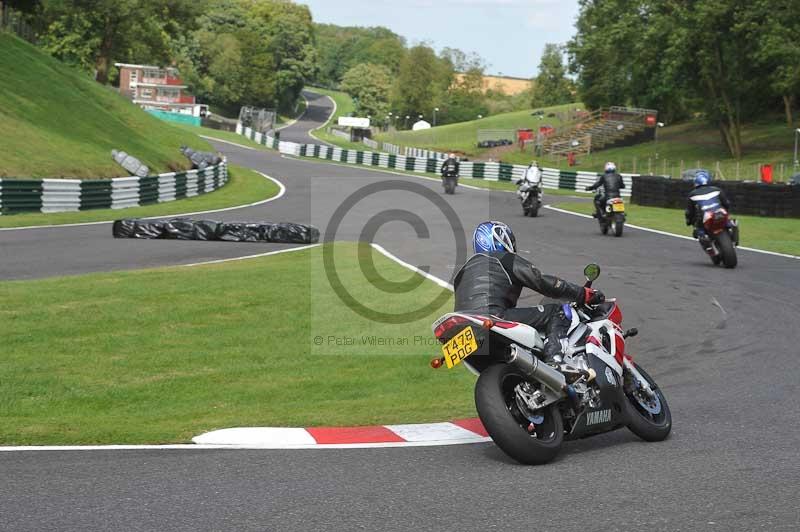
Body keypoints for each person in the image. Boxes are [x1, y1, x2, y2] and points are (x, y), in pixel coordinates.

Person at [453, 221, 605, 364]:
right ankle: (556, 361)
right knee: (558, 311)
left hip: (462, 330)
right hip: (492, 317)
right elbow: (542, 282)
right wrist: (582, 293)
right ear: (502, 239)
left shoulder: (461, 273)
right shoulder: (505, 258)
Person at [685, 170, 734, 251]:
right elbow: (726, 203)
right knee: (730, 222)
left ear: (695, 182)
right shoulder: (717, 189)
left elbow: (689, 212)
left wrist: (689, 221)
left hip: (705, 217)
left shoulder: (692, 194)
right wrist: (727, 211)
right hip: (720, 213)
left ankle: (708, 246)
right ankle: (732, 233)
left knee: (698, 231)